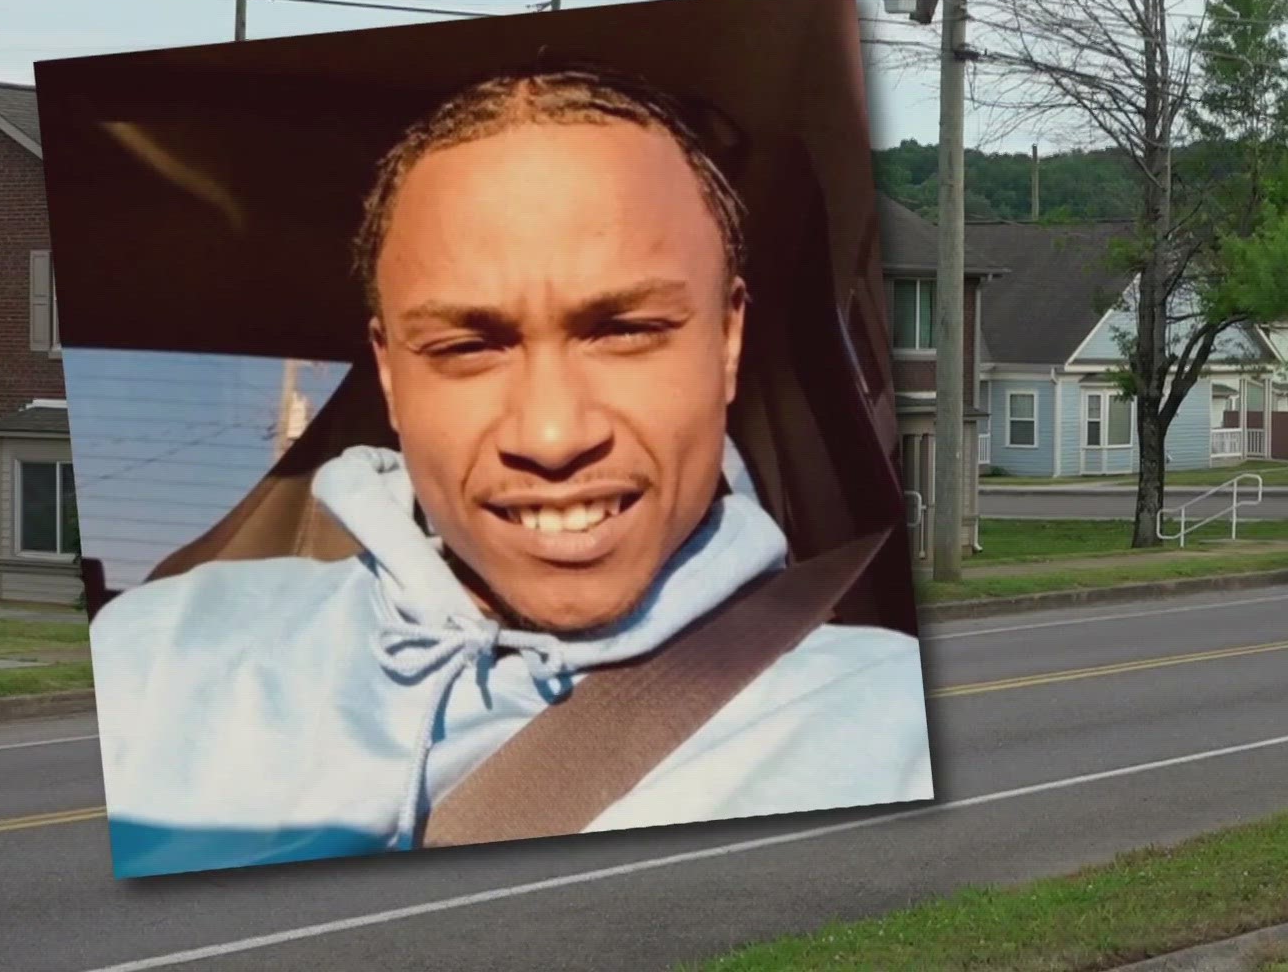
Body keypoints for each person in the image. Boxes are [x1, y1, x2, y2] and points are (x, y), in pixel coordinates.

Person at [88, 67, 934, 879]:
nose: (554, 434)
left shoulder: (887, 720)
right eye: (467, 347)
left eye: (626, 330)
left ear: (727, 340)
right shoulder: (153, 661)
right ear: (389, 375)